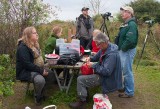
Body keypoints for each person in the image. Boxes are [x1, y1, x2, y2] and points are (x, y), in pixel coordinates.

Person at [69, 32, 122, 109]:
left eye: (98, 44)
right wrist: (90, 58)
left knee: (80, 79)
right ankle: (85, 96)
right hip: (104, 74)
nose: (97, 46)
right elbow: (96, 57)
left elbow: (107, 72)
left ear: (104, 42)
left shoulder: (111, 55)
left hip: (107, 79)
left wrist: (93, 65)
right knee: (81, 75)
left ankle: (82, 102)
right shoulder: (105, 48)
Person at [16, 27, 50, 105]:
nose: (37, 34)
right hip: (25, 71)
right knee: (40, 80)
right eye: (34, 33)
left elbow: (37, 59)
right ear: (28, 35)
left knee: (51, 74)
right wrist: (41, 71)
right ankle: (37, 96)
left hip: (34, 68)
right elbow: (27, 64)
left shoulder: (34, 44)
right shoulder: (23, 47)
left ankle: (41, 91)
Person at [115, 6, 138, 98]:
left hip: (127, 50)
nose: (122, 13)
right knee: (125, 70)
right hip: (124, 50)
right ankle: (125, 87)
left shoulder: (131, 24)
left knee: (127, 71)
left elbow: (130, 40)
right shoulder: (126, 24)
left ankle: (129, 92)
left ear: (129, 13)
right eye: (122, 11)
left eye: (124, 11)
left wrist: (123, 49)